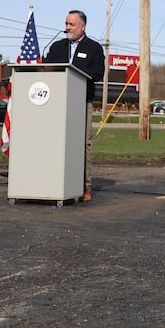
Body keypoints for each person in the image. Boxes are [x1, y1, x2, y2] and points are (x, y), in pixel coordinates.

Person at [44, 10, 105, 202]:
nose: (67, 27)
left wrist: (75, 71)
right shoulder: (57, 47)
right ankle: (52, 182)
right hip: (56, 102)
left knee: (83, 144)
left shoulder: (94, 48)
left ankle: (84, 187)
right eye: (66, 24)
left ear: (83, 27)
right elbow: (46, 69)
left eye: (71, 24)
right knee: (55, 141)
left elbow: (98, 73)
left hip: (82, 101)